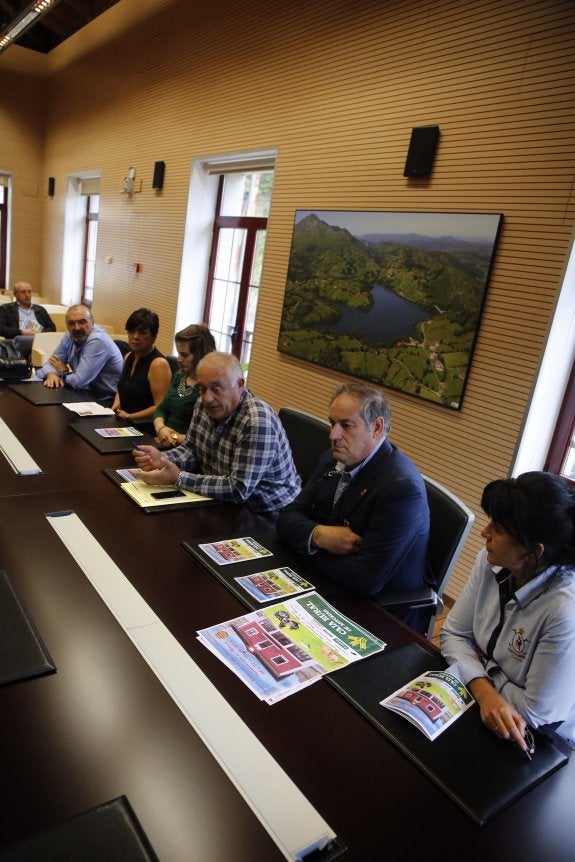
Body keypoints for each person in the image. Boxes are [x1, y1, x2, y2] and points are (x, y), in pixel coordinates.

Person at [275, 382, 430, 627]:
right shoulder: (331, 460)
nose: (333, 435)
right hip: (330, 586)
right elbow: (287, 517)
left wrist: (305, 544)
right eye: (332, 423)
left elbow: (365, 579)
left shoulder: (402, 489)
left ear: (376, 427)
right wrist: (319, 535)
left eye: (346, 425)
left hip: (379, 615)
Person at [441, 472, 575, 753]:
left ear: (533, 552)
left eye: (498, 528)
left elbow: (537, 714)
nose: (484, 532)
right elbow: (454, 633)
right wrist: (483, 688)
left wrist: (481, 663)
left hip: (547, 741)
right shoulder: (489, 561)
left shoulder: (564, 610)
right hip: (494, 709)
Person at [132, 351, 301, 518]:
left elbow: (238, 489)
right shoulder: (203, 404)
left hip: (268, 514)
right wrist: (162, 459)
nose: (207, 398)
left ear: (240, 385)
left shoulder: (256, 421)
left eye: (216, 388)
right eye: (202, 388)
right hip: (223, 502)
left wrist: (179, 478)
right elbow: (192, 449)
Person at [35, 304, 123, 404]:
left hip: (105, 400)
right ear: (67, 325)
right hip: (83, 394)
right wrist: (50, 374)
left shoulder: (97, 340)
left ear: (92, 322)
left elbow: (79, 382)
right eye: (71, 323)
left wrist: (62, 373)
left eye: (82, 322)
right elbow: (51, 363)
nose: (77, 328)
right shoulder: (70, 336)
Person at [153, 323, 216, 448]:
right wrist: (161, 428)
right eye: (179, 354)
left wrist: (173, 437)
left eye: (184, 355)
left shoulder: (208, 388)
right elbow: (162, 408)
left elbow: (205, 438)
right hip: (163, 439)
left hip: (186, 448)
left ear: (201, 355)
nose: (179, 359)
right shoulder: (180, 376)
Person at [111, 308, 172, 425]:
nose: (135, 337)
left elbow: (161, 408)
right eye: (131, 331)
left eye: (142, 333)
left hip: (144, 427)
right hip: (124, 421)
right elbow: (122, 387)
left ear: (154, 337)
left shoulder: (158, 364)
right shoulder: (128, 356)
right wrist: (117, 403)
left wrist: (129, 416)